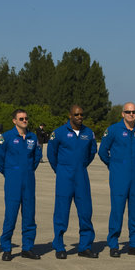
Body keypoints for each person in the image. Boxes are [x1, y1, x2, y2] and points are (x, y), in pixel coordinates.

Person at [98, 102, 135, 257]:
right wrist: (113, 165)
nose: (131, 114)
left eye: (134, 111)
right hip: (118, 175)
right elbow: (102, 151)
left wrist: (134, 162)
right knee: (117, 210)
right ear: (122, 114)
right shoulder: (113, 130)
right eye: (128, 112)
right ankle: (114, 244)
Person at [47, 105, 98, 259]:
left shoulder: (88, 133)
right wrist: (61, 170)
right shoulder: (59, 133)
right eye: (76, 114)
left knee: (85, 212)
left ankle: (85, 247)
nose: (79, 117)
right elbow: (51, 154)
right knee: (62, 212)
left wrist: (80, 166)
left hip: (81, 175)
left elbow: (91, 153)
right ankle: (59, 246)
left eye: (82, 114)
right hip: (64, 176)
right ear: (70, 115)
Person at [0, 108, 43, 261]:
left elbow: (36, 157)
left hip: (28, 180)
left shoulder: (32, 137)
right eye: (21, 119)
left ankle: (27, 248)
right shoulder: (6, 137)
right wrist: (9, 172)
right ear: (14, 121)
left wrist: (27, 170)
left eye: (26, 118)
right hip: (12, 181)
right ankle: (7, 248)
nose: (24, 121)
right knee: (11, 215)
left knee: (29, 216)